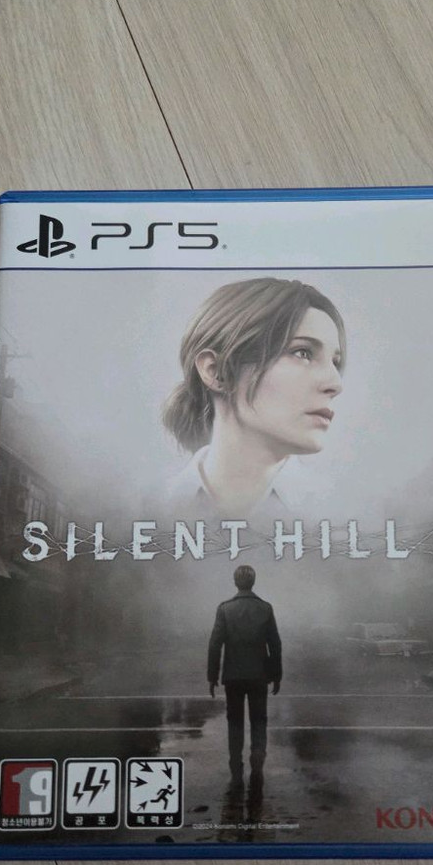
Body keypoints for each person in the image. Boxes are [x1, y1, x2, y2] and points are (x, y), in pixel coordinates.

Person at [163, 277, 345, 520]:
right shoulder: (148, 510)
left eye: (335, 362)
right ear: (216, 371)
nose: (335, 384)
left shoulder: (342, 514)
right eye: (302, 353)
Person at [207, 564, 282, 791]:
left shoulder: (225, 609)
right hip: (259, 676)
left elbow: (215, 644)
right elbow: (275, 644)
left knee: (235, 722)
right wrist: (276, 674)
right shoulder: (265, 608)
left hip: (233, 676)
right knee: (259, 720)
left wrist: (212, 676)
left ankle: (235, 768)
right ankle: (257, 758)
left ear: (235, 582)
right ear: (253, 581)